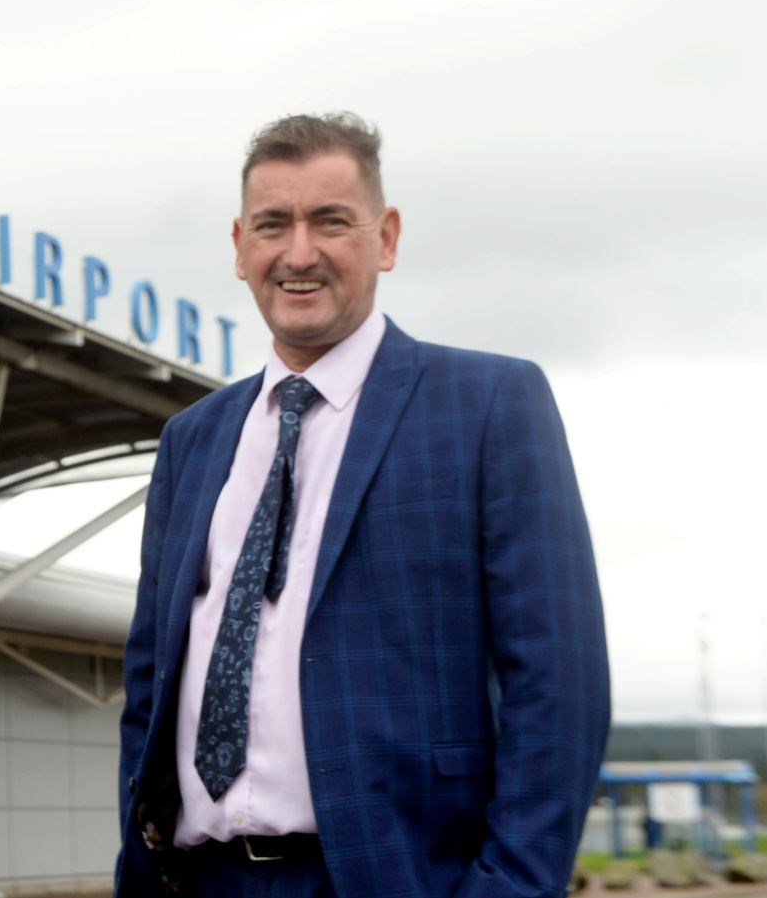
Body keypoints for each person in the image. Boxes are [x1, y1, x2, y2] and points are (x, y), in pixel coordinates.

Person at [115, 113, 611, 897]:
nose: (298, 252)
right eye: (273, 224)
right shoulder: (192, 439)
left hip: (395, 877)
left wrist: (510, 887)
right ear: (241, 245)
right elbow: (149, 680)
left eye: (330, 221)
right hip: (198, 878)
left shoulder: (488, 405)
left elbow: (558, 684)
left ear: (384, 238)